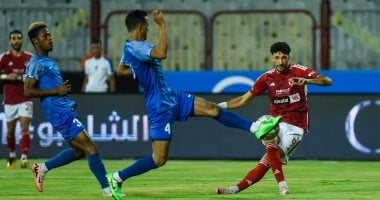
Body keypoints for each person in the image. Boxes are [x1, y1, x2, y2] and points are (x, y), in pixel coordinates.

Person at [105, 10, 282, 200]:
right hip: (160, 107)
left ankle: (256, 128)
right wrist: (163, 26)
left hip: (172, 98)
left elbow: (120, 70)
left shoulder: (129, 48)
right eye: (147, 26)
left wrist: (137, 70)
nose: (149, 28)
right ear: (140, 26)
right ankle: (116, 177)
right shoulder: (137, 47)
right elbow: (161, 53)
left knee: (212, 108)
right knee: (159, 159)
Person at [214, 42, 333, 195]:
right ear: (272, 58)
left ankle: (236, 189)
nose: (280, 62)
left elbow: (328, 81)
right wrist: (218, 106)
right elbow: (243, 100)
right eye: (277, 58)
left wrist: (308, 81)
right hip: (276, 122)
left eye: (284, 58)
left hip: (296, 126)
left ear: (289, 57)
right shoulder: (266, 78)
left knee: (267, 161)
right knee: (268, 128)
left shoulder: (298, 71)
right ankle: (282, 185)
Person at [24, 21, 112, 196]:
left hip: (64, 109)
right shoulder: (36, 63)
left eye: (50, 35)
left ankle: (43, 168)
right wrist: (56, 90)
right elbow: (27, 90)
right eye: (45, 36)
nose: (50, 38)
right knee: (91, 148)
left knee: (79, 151)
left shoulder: (46, 60)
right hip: (59, 112)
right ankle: (108, 189)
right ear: (35, 41)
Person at [0, 30, 33, 169]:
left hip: (25, 97)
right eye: (13, 38)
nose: (16, 41)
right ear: (10, 41)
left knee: (25, 127)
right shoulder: (3, 58)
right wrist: (7, 77)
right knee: (10, 130)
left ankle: (24, 156)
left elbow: (36, 76)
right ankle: (12, 154)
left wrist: (26, 78)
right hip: (10, 99)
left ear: (22, 40)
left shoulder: (30, 57)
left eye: (18, 38)